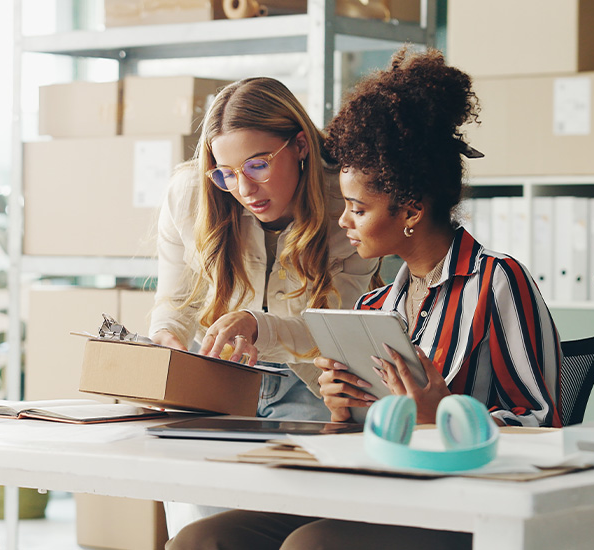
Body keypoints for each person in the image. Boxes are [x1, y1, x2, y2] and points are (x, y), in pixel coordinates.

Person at [165, 48, 562, 550]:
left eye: (356, 207)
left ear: (410, 210)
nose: (343, 220)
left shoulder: (496, 282)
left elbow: (544, 425)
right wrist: (341, 409)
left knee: (311, 546)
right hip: (378, 491)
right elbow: (364, 432)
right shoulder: (375, 310)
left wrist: (443, 416)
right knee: (201, 539)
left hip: (461, 503)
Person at [149, 76, 380, 422]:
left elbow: (333, 332)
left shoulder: (350, 206)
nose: (244, 189)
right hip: (216, 369)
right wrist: (167, 339)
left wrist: (257, 326)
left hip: (309, 381)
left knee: (301, 470)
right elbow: (174, 302)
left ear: (300, 145)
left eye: (258, 165)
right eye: (226, 173)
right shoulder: (189, 195)